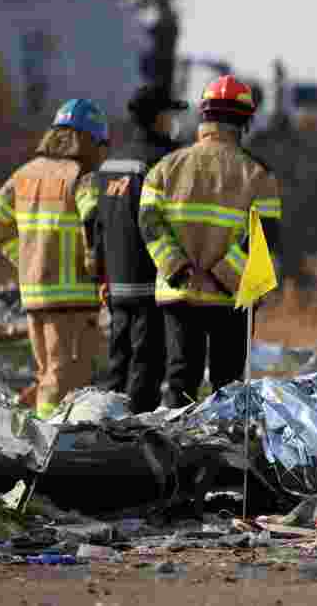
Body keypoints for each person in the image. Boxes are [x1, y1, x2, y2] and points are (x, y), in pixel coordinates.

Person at [139, 75, 282, 407]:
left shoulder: (165, 167)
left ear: (204, 116)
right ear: (245, 121)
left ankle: (175, 454)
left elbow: (149, 223)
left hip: (179, 293)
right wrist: (222, 275)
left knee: (180, 382)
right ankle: (222, 455)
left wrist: (180, 269)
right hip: (231, 297)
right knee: (228, 389)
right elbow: (265, 236)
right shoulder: (259, 174)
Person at [0, 99, 109, 418]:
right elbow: (93, 222)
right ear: (89, 140)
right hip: (73, 300)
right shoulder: (82, 175)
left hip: (35, 296)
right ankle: (51, 447)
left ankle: (41, 436)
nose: (103, 152)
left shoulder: (23, 175)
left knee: (47, 376)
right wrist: (97, 271)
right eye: (101, 144)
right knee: (66, 379)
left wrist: (26, 260)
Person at [87, 85, 188, 414]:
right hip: (150, 280)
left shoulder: (110, 164)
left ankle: (103, 427)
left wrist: (102, 273)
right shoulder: (164, 160)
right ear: (159, 117)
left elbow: (99, 224)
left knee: (117, 362)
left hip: (116, 282)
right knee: (146, 363)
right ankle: (130, 439)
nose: (174, 122)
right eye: (171, 114)